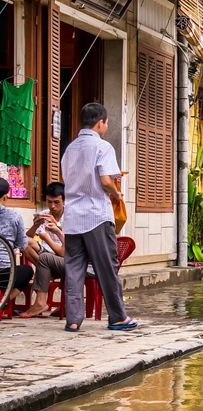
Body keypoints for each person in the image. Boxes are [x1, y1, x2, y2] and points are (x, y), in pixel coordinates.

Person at [61, 103, 137, 332]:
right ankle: (117, 317)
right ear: (100, 122)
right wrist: (116, 194)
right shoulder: (103, 147)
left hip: (73, 216)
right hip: (96, 214)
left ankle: (73, 320)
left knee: (74, 268)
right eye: (106, 122)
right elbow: (106, 181)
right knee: (106, 267)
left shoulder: (70, 149)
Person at [19, 182, 66, 318]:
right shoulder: (45, 213)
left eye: (56, 202)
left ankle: (41, 299)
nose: (52, 206)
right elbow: (26, 238)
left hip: (62, 258)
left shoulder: (71, 216)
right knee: (25, 242)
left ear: (64, 201)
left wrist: (56, 227)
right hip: (46, 255)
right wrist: (35, 226)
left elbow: (64, 252)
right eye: (49, 202)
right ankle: (46, 272)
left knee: (45, 258)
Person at [0, 178, 33, 304]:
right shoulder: (15, 217)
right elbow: (22, 244)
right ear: (5, 198)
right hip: (5, 275)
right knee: (28, 271)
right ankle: (5, 301)